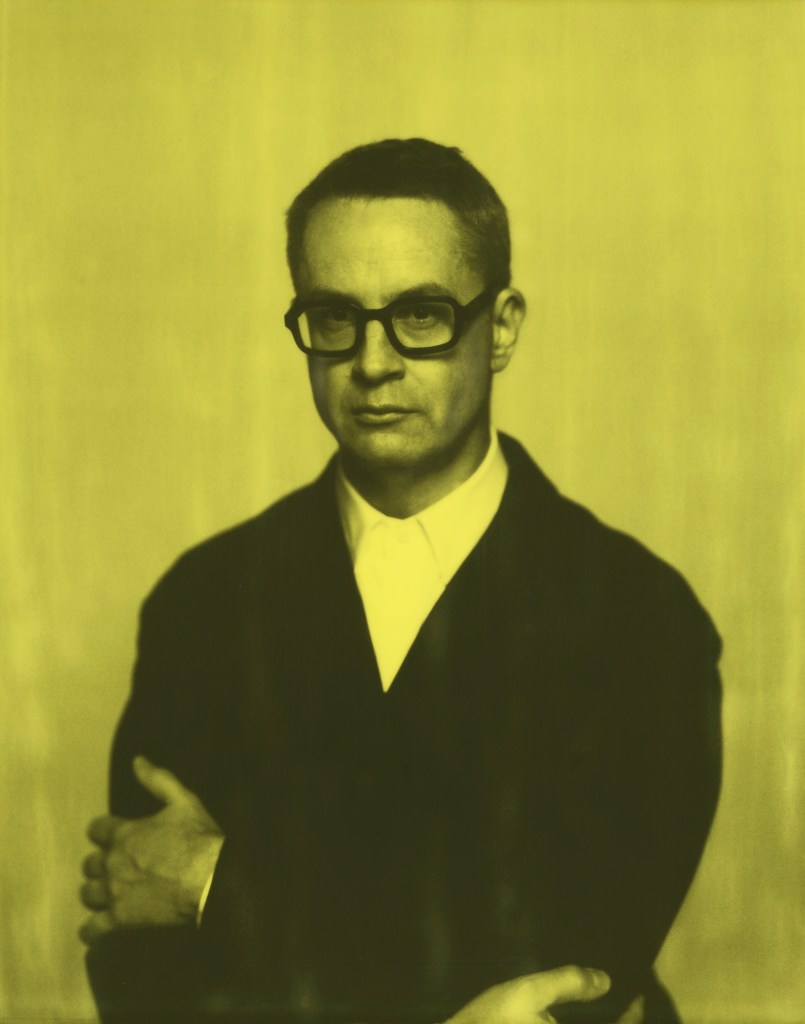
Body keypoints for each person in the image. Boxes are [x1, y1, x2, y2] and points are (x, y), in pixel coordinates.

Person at [79, 138, 722, 1024]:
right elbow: (145, 957)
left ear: (501, 328)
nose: (372, 362)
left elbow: (576, 963)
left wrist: (215, 881)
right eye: (333, 316)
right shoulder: (204, 602)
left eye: (421, 315)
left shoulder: (639, 615)